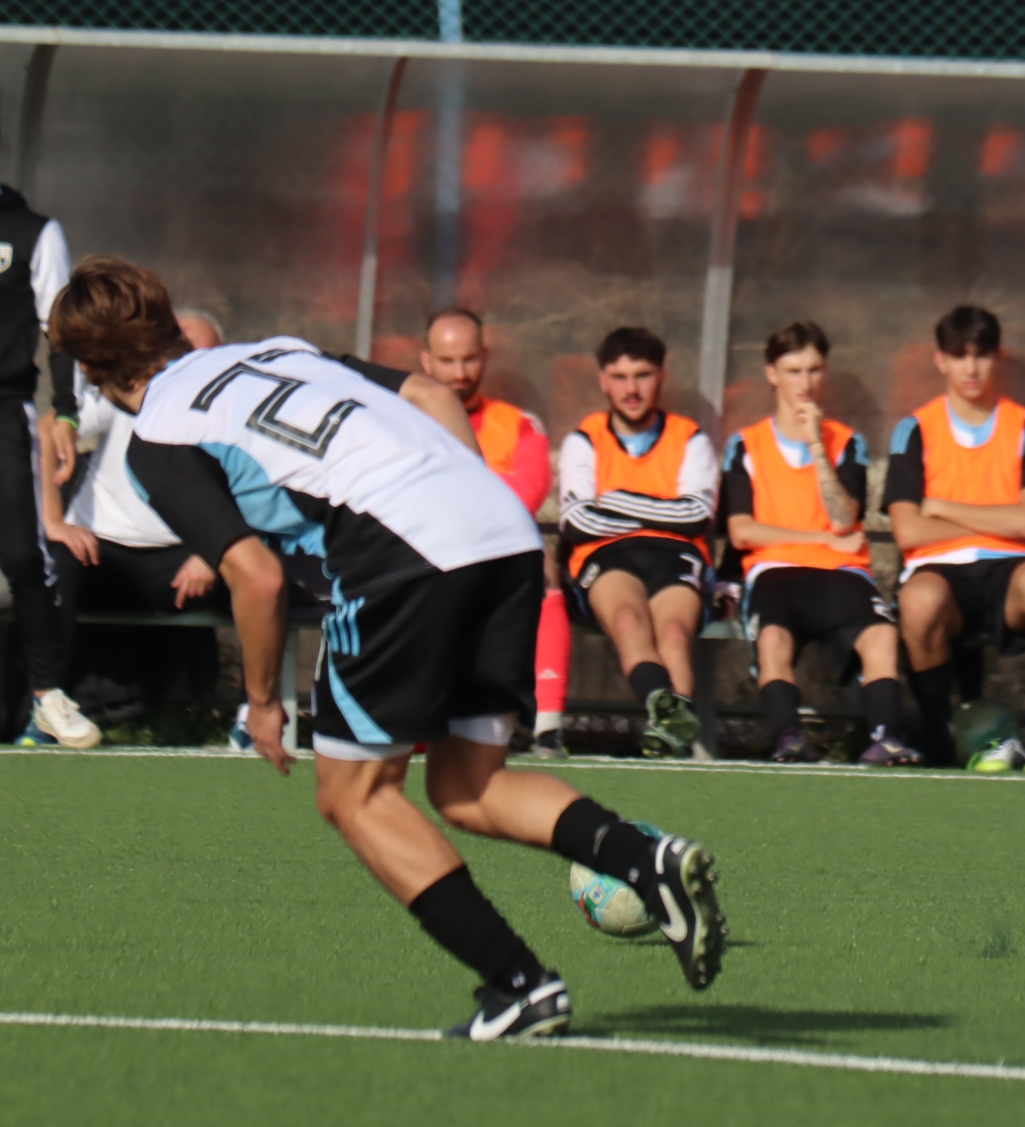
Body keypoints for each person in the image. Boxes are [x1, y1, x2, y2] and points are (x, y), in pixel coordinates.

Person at [51, 256, 728, 1038]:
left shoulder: (158, 436)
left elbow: (255, 578)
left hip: (403, 557)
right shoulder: (278, 350)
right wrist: (465, 505)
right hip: (502, 534)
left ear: (94, 369)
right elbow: (431, 395)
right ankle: (644, 860)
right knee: (469, 787)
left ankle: (521, 986)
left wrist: (263, 702)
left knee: (354, 796)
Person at [883, 305, 1025, 773]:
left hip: (1013, 570)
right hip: (939, 571)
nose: (971, 368)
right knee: (918, 601)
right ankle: (939, 737)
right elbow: (908, 530)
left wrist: (941, 506)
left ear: (997, 358)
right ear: (940, 360)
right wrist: (997, 519)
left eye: (981, 355)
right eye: (959, 355)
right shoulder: (914, 431)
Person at [723, 322, 917, 767]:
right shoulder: (746, 445)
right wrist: (821, 538)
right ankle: (788, 739)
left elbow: (844, 518)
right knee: (772, 639)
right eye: (793, 371)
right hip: (775, 572)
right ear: (772, 374)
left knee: (881, 635)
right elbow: (742, 532)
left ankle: (886, 738)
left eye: (813, 370)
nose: (804, 383)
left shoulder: (846, 442)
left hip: (840, 571)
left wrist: (815, 443)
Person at [30, 310, 224, 742]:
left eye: (196, 353)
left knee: (255, 577)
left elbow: (259, 490)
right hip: (99, 552)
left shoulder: (230, 409)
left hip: (181, 566)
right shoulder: (124, 391)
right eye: (176, 349)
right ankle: (44, 710)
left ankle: (253, 716)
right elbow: (47, 430)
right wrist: (54, 521)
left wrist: (212, 553)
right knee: (48, 573)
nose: (181, 362)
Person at [420, 306, 573, 759]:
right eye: (447, 361)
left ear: (485, 357)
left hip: (494, 546)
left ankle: (546, 726)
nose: (459, 373)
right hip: (423, 546)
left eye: (469, 359)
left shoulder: (518, 424)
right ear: (426, 361)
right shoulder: (400, 419)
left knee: (544, 567)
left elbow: (526, 492)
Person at [559, 326, 713, 758]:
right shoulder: (584, 438)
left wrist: (616, 500)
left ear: (661, 376)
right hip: (606, 554)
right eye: (620, 377)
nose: (631, 390)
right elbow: (576, 521)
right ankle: (670, 719)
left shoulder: (690, 437)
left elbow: (696, 515)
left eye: (642, 376)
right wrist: (660, 511)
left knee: (673, 633)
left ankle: (670, 732)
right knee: (628, 620)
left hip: (676, 553)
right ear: (603, 381)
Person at [0, 178, 94, 748]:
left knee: (21, 554)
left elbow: (60, 328)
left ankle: (47, 696)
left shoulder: (34, 232)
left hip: (4, 409)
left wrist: (66, 412)